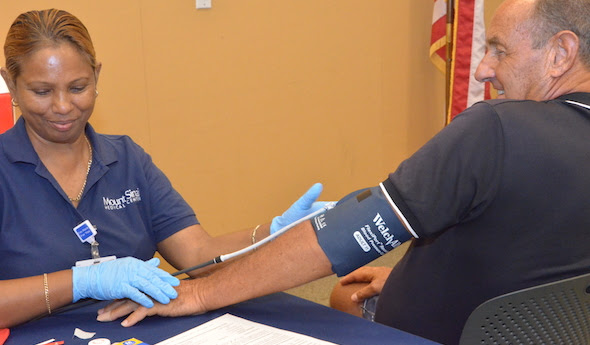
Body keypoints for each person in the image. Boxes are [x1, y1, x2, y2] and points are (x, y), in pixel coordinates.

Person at [95, 0, 590, 344]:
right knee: (351, 290)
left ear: (561, 54)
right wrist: (405, 279)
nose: (482, 69)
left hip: (424, 337)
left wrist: (200, 291)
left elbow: (344, 237)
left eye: (499, 49)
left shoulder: (495, 130)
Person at [0, 8, 326, 329]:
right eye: (42, 91)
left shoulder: (127, 159)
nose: (62, 106)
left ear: (96, 76)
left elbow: (200, 255)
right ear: (10, 84)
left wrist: (274, 233)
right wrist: (79, 282)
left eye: (77, 87)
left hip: (139, 330)